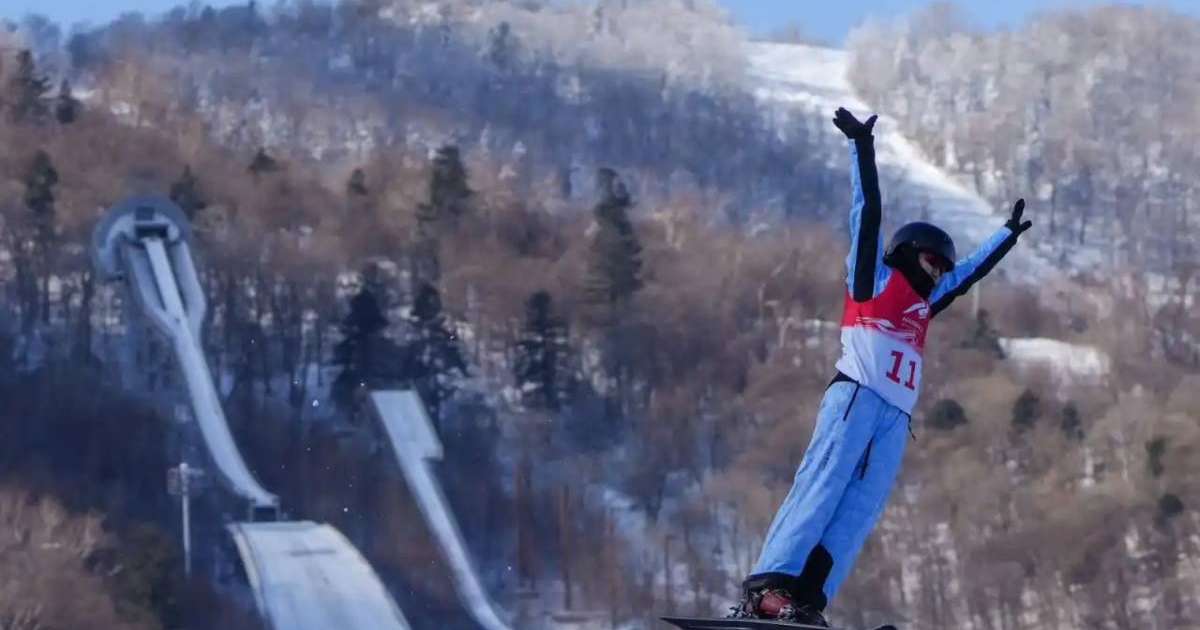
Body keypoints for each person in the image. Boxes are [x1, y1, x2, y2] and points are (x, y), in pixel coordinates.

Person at [729, 107, 1033, 626]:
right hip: (856, 399)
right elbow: (866, 213)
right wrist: (861, 148)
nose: (937, 271)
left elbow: (965, 277)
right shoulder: (872, 279)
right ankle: (767, 589)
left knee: (859, 509)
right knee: (823, 485)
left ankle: (805, 600)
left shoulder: (924, 306)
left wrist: (1005, 237)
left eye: (940, 265)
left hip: (894, 419)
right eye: (931, 260)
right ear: (907, 253)